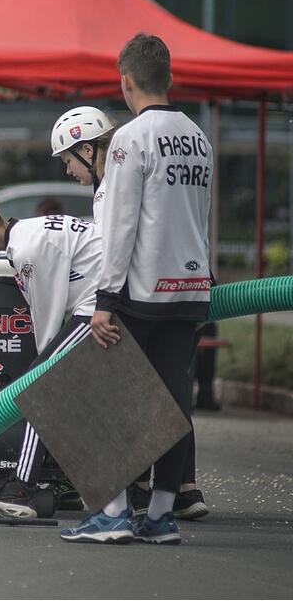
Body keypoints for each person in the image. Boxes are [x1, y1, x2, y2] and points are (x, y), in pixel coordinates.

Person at [62, 33, 213, 545]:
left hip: (140, 293)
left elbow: (120, 225)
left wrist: (105, 299)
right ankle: (162, 516)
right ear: (169, 78)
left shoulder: (130, 138)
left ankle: (112, 514)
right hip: (191, 289)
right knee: (172, 406)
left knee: (105, 398)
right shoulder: (199, 136)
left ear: (126, 82)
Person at [0, 189, 100, 519]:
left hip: (104, 306)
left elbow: (48, 320)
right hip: (112, 297)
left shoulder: (27, 248)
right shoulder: (28, 234)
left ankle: (21, 488)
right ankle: (69, 483)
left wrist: (41, 369)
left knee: (38, 385)